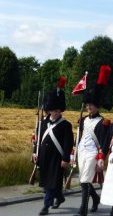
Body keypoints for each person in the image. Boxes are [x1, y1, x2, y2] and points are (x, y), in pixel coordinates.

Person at [32, 78, 74, 215]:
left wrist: (65, 158)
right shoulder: (43, 123)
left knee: (52, 182)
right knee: (48, 182)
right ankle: (60, 197)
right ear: (49, 110)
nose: (56, 113)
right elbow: (37, 140)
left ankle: (46, 206)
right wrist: (34, 152)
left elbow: (68, 143)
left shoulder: (66, 125)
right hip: (44, 156)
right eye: (53, 110)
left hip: (57, 158)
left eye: (58, 110)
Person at [75, 77, 111, 216]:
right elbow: (79, 137)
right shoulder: (83, 120)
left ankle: (83, 210)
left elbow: (104, 142)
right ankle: (96, 199)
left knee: (85, 181)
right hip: (82, 152)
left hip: (93, 154)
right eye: (87, 104)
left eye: (91, 105)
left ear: (97, 106)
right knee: (84, 180)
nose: (89, 107)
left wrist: (101, 158)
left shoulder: (103, 122)